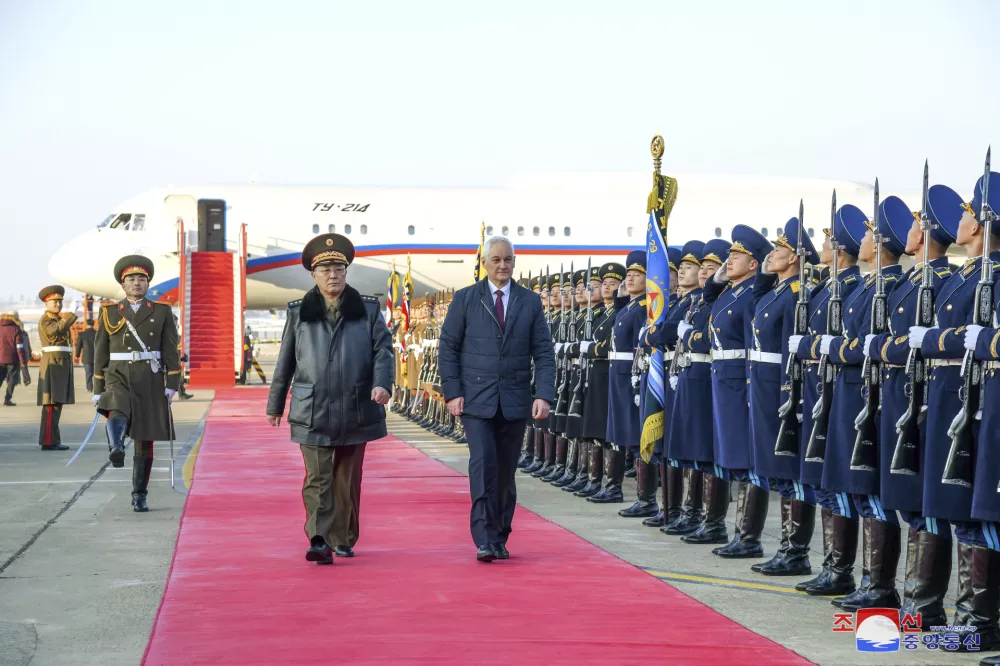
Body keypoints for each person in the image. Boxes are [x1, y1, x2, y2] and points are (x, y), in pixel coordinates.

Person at [267, 233, 393, 565]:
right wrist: (275, 403)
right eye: (325, 270)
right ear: (313, 275)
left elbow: (384, 352)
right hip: (312, 408)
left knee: (346, 478)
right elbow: (285, 362)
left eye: (338, 268)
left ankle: (343, 537)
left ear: (346, 272)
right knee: (318, 477)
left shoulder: (367, 310)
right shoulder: (299, 313)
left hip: (356, 406)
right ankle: (319, 538)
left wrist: (382, 385)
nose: (333, 275)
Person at [864, 185, 957, 624]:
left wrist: (885, 347)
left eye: (919, 222)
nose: (910, 229)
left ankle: (924, 604)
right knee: (904, 499)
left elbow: (918, 342)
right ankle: (908, 597)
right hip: (899, 395)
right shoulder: (911, 282)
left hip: (922, 396)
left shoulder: (940, 280)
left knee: (925, 502)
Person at [915, 172, 1000, 650]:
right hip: (961, 396)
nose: (960, 220)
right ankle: (968, 617)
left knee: (982, 511)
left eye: (969, 213)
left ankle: (978, 622)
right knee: (964, 510)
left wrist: (977, 341)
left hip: (983, 399)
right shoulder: (968, 275)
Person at [438, 236, 555, 562]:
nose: (502, 266)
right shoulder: (465, 299)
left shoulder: (529, 302)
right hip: (476, 401)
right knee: (483, 466)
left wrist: (544, 394)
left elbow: (543, 352)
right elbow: (448, 349)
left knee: (505, 471)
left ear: (514, 262)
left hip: (515, 401)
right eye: (496, 260)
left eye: (508, 260)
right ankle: (484, 538)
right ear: (484, 263)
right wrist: (453, 392)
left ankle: (501, 534)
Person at [821, 200, 905, 608]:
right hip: (850, 391)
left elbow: (871, 345)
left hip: (870, 393)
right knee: (853, 488)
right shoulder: (864, 287)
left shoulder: (889, 286)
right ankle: (861, 578)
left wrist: (837, 348)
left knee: (870, 490)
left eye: (870, 234)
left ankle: (880, 585)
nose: (862, 241)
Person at [790, 205, 865, 596]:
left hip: (841, 391)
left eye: (826, 239)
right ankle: (832, 567)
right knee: (825, 482)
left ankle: (842, 570)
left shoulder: (852, 287)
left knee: (839, 483)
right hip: (819, 388)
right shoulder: (827, 286)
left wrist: (817, 346)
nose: (820, 245)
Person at [748, 217, 821, 577]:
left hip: (778, 386)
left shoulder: (795, 295)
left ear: (794, 259)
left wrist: (789, 396)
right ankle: (787, 548)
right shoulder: (774, 291)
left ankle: (795, 551)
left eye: (779, 250)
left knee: (788, 471)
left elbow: (790, 352)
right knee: (775, 471)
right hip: (759, 385)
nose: (771, 254)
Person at [704, 225, 773, 560]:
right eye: (729, 255)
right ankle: (736, 531)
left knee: (747, 460)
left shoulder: (750, 297)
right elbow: (709, 306)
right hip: (722, 382)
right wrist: (715, 281)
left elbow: (752, 344)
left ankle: (748, 536)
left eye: (737, 256)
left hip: (740, 384)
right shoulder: (730, 293)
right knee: (732, 458)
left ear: (754, 264)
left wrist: (750, 389)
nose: (729, 261)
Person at [93, 256, 182, 511]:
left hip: (149, 376)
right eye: (131, 279)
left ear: (148, 283)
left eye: (141, 279)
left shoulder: (162, 311)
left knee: (145, 438)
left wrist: (172, 383)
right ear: (123, 284)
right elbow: (100, 352)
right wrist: (98, 389)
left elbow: (170, 350)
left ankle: (139, 494)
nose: (136, 283)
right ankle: (117, 446)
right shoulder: (109, 312)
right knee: (116, 405)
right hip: (117, 373)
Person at [670, 239, 731, 542]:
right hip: (692, 375)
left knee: (707, 453)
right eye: (703, 268)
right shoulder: (702, 301)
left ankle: (712, 521)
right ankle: (692, 513)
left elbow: (705, 340)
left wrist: (690, 336)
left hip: (708, 377)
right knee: (693, 452)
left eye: (711, 268)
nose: (705, 273)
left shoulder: (721, 299)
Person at [605, 251, 650, 515]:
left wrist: (635, 381)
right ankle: (614, 487)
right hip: (617, 374)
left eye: (637, 275)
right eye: (628, 274)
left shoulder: (642, 308)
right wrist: (620, 294)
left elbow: (638, 348)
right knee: (620, 433)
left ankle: (645, 499)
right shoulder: (629, 307)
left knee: (634, 435)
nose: (630, 278)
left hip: (628, 375)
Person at [584, 262, 627, 503]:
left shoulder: (620, 312)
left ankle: (612, 485)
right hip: (598, 373)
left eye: (613, 284)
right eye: (606, 284)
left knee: (609, 432)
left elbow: (606, 345)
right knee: (596, 431)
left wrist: (590, 348)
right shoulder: (604, 313)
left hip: (609, 373)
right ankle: (594, 479)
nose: (608, 288)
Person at [37, 285, 79, 451]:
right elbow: (56, 332)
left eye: (60, 301)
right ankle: (48, 441)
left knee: (56, 405)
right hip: (53, 364)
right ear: (46, 303)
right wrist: (72, 315)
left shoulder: (56, 319)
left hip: (60, 364)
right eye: (54, 301)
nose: (57, 304)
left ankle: (53, 440)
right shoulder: (47, 321)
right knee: (51, 405)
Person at [0, 312, 29, 406]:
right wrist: (23, 361)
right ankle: (7, 399)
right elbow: (20, 347)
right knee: (12, 379)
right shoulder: (16, 330)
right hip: (12, 359)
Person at [75, 318, 97, 392]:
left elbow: (78, 345)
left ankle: (89, 388)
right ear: (93, 324)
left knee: (88, 373)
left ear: (86, 324)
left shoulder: (82, 334)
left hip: (86, 357)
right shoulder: (97, 333)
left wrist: (77, 355)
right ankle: (98, 388)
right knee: (98, 373)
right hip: (97, 357)